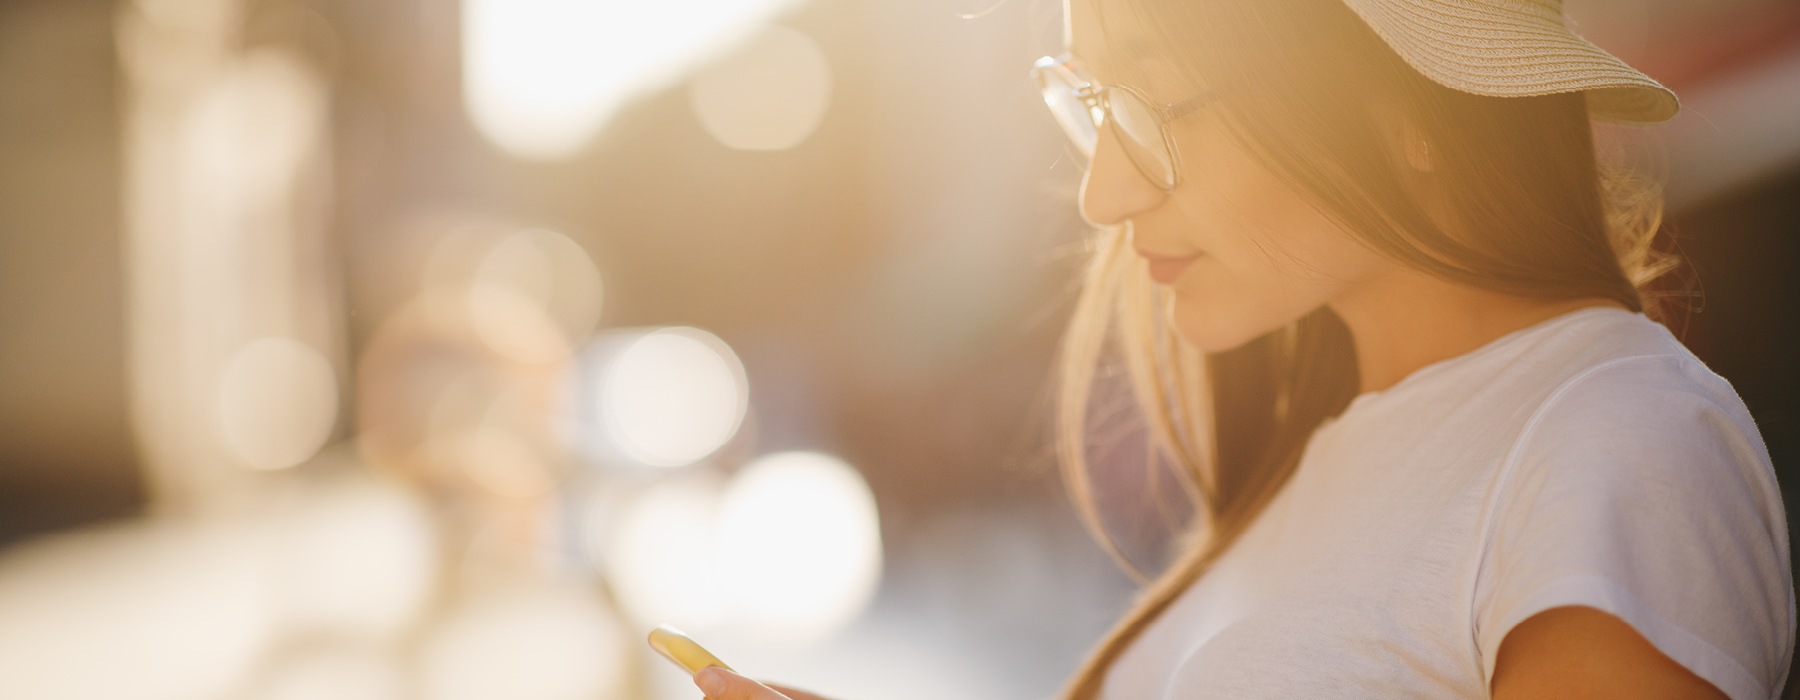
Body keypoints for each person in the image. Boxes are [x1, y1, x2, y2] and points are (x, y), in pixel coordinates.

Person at [691, 0, 1796, 697]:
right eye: (1090, 103)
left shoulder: (1614, 440)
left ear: (1415, 112)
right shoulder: (1315, 458)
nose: (1102, 189)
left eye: (1158, 100)